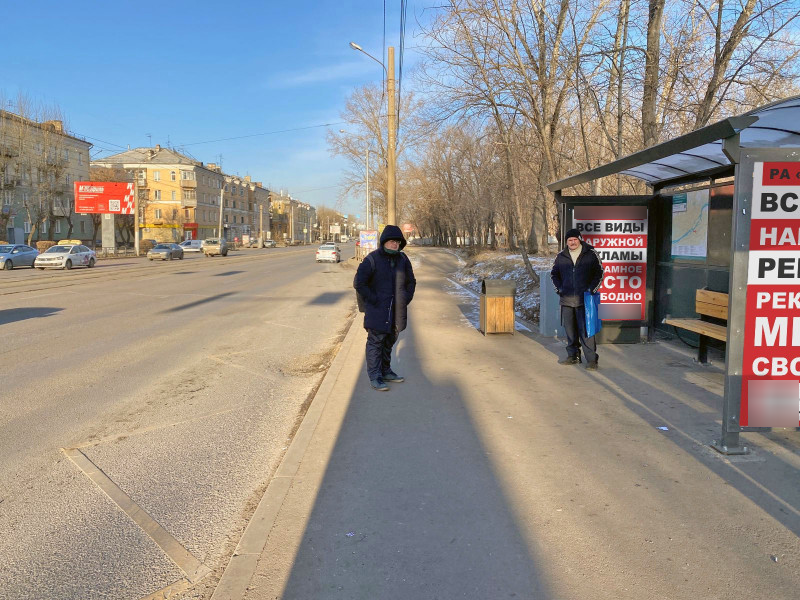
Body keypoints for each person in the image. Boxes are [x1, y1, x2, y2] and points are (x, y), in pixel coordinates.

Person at [354, 225, 416, 391]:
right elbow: (359, 283)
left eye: (397, 242)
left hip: (397, 311)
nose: (394, 245)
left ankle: (386, 371)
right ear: (384, 242)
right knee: (375, 343)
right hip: (377, 311)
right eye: (391, 241)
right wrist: (374, 299)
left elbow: (411, 282)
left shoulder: (403, 260)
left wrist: (405, 299)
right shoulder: (372, 259)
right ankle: (375, 376)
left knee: (389, 342)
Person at [550, 228, 604, 370]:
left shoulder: (591, 254)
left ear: (579, 239)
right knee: (570, 331)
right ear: (566, 242)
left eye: (575, 239)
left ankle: (592, 360)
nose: (572, 242)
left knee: (586, 331)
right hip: (567, 300)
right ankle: (573, 356)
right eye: (569, 240)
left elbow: (599, 273)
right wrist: (559, 289)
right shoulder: (561, 256)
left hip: (584, 300)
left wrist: (591, 289)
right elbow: (554, 275)